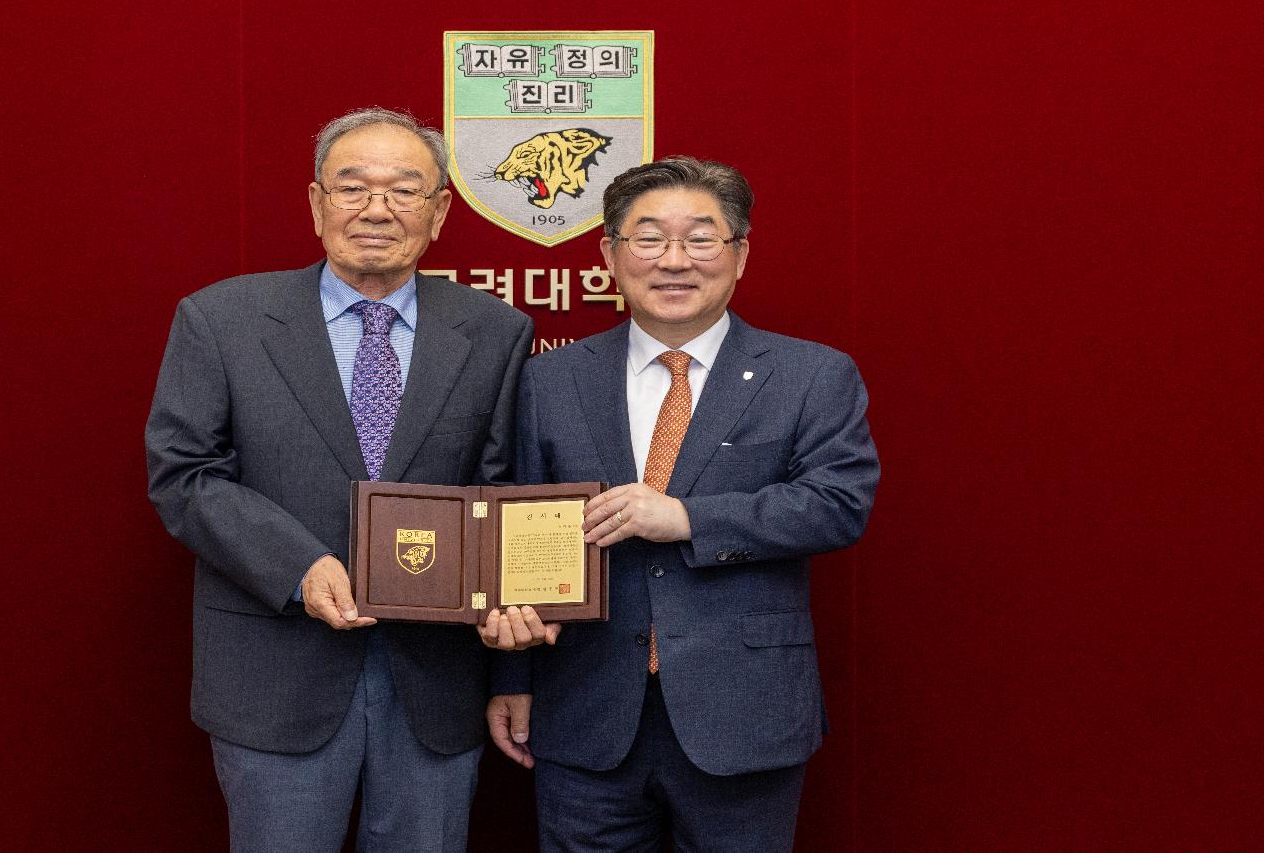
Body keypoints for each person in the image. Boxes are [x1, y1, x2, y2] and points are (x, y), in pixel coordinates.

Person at [146, 107, 534, 852]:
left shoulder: (495, 331)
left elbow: (503, 494)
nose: (376, 210)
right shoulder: (222, 320)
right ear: (317, 203)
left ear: (439, 213)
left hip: (436, 680)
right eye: (352, 188)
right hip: (275, 674)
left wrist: (513, 663)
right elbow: (184, 475)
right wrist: (297, 565)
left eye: (404, 190)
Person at [482, 157, 880, 852]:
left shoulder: (812, 374)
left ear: (740, 255)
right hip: (585, 708)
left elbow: (837, 504)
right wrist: (511, 674)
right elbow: (519, 524)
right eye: (648, 238)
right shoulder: (551, 379)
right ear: (609, 255)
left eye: (700, 239)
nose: (674, 260)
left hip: (744, 710)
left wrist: (689, 519)